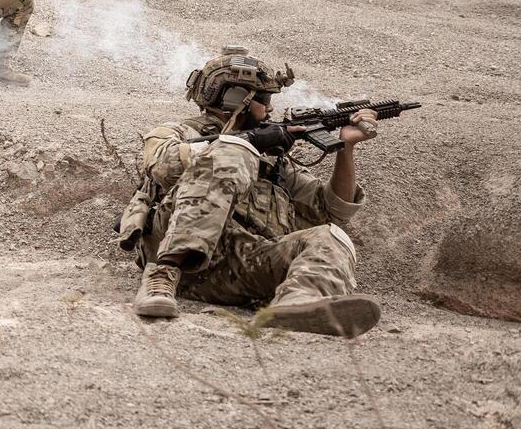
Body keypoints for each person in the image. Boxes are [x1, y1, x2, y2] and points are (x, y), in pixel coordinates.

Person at [118, 46, 382, 337]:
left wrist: (347, 147)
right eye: (264, 99)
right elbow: (161, 166)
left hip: (234, 271)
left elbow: (333, 209)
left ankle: (298, 303)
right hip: (174, 257)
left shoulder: (271, 155)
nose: (270, 109)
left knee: (331, 235)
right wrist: (248, 142)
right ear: (236, 98)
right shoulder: (179, 132)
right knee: (233, 151)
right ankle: (161, 277)